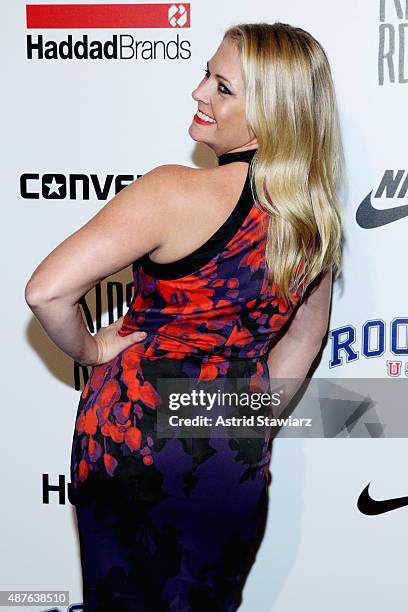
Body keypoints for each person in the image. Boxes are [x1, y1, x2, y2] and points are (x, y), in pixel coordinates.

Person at [25, 21, 343, 612]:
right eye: (206, 75)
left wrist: (92, 351)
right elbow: (305, 335)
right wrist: (249, 418)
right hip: (226, 446)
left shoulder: (173, 191)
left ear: (273, 112)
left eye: (223, 87)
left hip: (132, 433)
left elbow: (47, 291)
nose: (199, 93)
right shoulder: (314, 218)